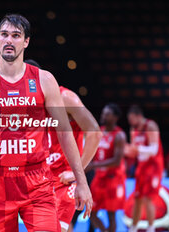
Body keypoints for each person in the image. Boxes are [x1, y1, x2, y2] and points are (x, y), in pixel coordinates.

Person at [0, 14, 92, 231]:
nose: (9, 41)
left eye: (16, 36)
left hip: (37, 180)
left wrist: (82, 181)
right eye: (4, 35)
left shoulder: (45, 80)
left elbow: (64, 133)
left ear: (26, 42)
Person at [25, 59, 102, 232]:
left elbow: (94, 132)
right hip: (41, 179)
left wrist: (77, 171)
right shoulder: (28, 104)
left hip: (63, 179)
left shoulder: (65, 97)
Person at [125, 105, 164, 232]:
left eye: (131, 119)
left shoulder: (150, 126)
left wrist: (137, 149)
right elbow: (134, 152)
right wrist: (126, 151)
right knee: (137, 198)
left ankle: (151, 228)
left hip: (154, 167)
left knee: (148, 198)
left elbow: (154, 149)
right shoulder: (133, 129)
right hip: (141, 167)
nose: (130, 123)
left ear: (138, 116)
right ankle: (134, 228)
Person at [88, 103, 126, 232]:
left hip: (113, 179)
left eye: (107, 114)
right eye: (103, 113)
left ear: (115, 118)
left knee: (111, 215)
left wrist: (94, 165)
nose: (103, 115)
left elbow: (116, 161)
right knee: (91, 213)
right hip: (99, 178)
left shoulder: (119, 135)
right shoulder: (99, 131)